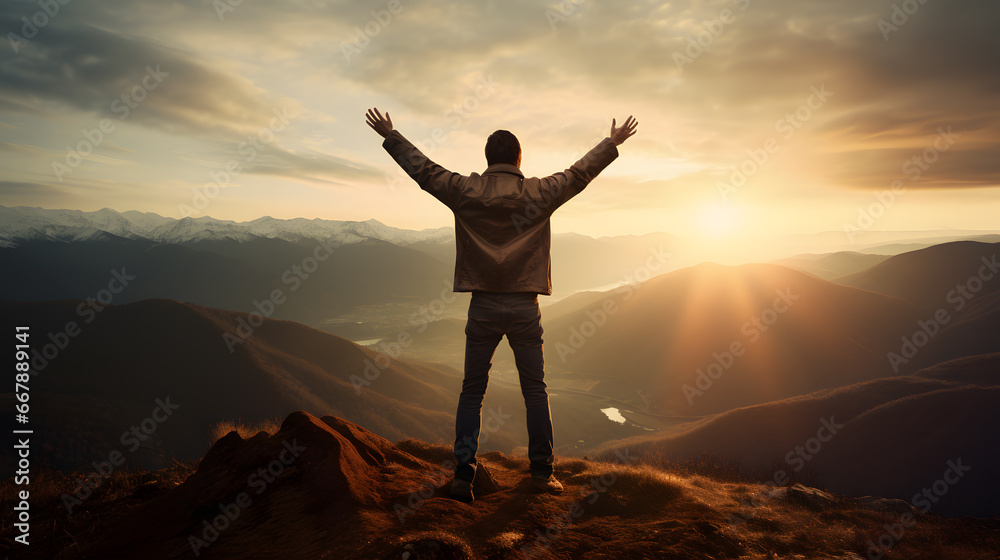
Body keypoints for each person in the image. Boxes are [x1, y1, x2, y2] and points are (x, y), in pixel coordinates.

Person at [365, 108, 637, 502]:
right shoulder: (539, 193)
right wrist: (611, 143)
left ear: (488, 159)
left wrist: (391, 135)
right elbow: (579, 174)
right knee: (535, 391)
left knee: (471, 392)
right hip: (526, 307)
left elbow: (424, 171)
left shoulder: (465, 191)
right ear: (519, 159)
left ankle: (463, 476)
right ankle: (543, 475)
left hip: (483, 308)